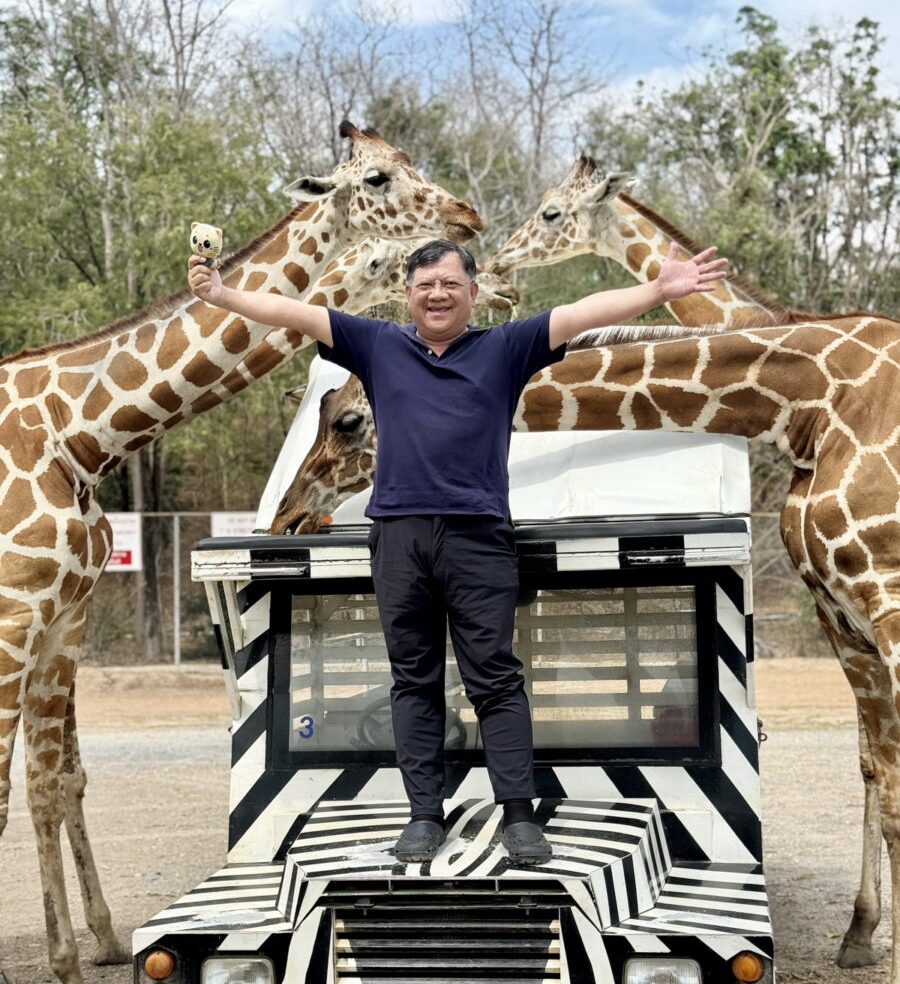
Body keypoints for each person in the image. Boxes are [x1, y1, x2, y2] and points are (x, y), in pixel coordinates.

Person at [188, 237, 727, 865]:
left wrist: (659, 291)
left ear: (472, 291)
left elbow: (584, 312)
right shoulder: (377, 344)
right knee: (413, 681)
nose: (436, 294)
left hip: (478, 536)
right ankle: (423, 816)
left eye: (449, 283)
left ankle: (519, 818)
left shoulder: (504, 347)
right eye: (424, 285)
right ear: (408, 295)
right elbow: (298, 314)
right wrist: (222, 295)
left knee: (494, 680)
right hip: (398, 536)